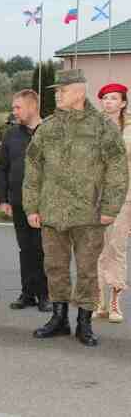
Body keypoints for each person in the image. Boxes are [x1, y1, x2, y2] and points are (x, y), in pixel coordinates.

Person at [25, 69, 128, 347]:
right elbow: (33, 167)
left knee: (86, 270)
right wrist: (31, 206)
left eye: (62, 90)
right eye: (57, 91)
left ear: (79, 93)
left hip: (89, 214)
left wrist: (110, 206)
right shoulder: (48, 127)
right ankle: (59, 319)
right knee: (55, 267)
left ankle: (84, 322)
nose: (57, 94)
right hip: (52, 212)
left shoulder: (101, 127)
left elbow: (117, 169)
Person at [0, 90, 51, 312]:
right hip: (18, 201)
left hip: (44, 202)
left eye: (18, 107)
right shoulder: (11, 135)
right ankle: (27, 293)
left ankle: (45, 295)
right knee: (26, 249)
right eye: (13, 107)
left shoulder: (50, 132)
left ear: (32, 107)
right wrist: (3, 198)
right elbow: (2, 168)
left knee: (43, 249)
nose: (14, 111)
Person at [95, 83, 130, 323]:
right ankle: (100, 300)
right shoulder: (94, 129)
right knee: (96, 249)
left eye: (114, 98)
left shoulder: (129, 131)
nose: (108, 102)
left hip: (124, 197)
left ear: (123, 103)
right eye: (105, 98)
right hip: (97, 197)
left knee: (116, 248)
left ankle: (116, 301)